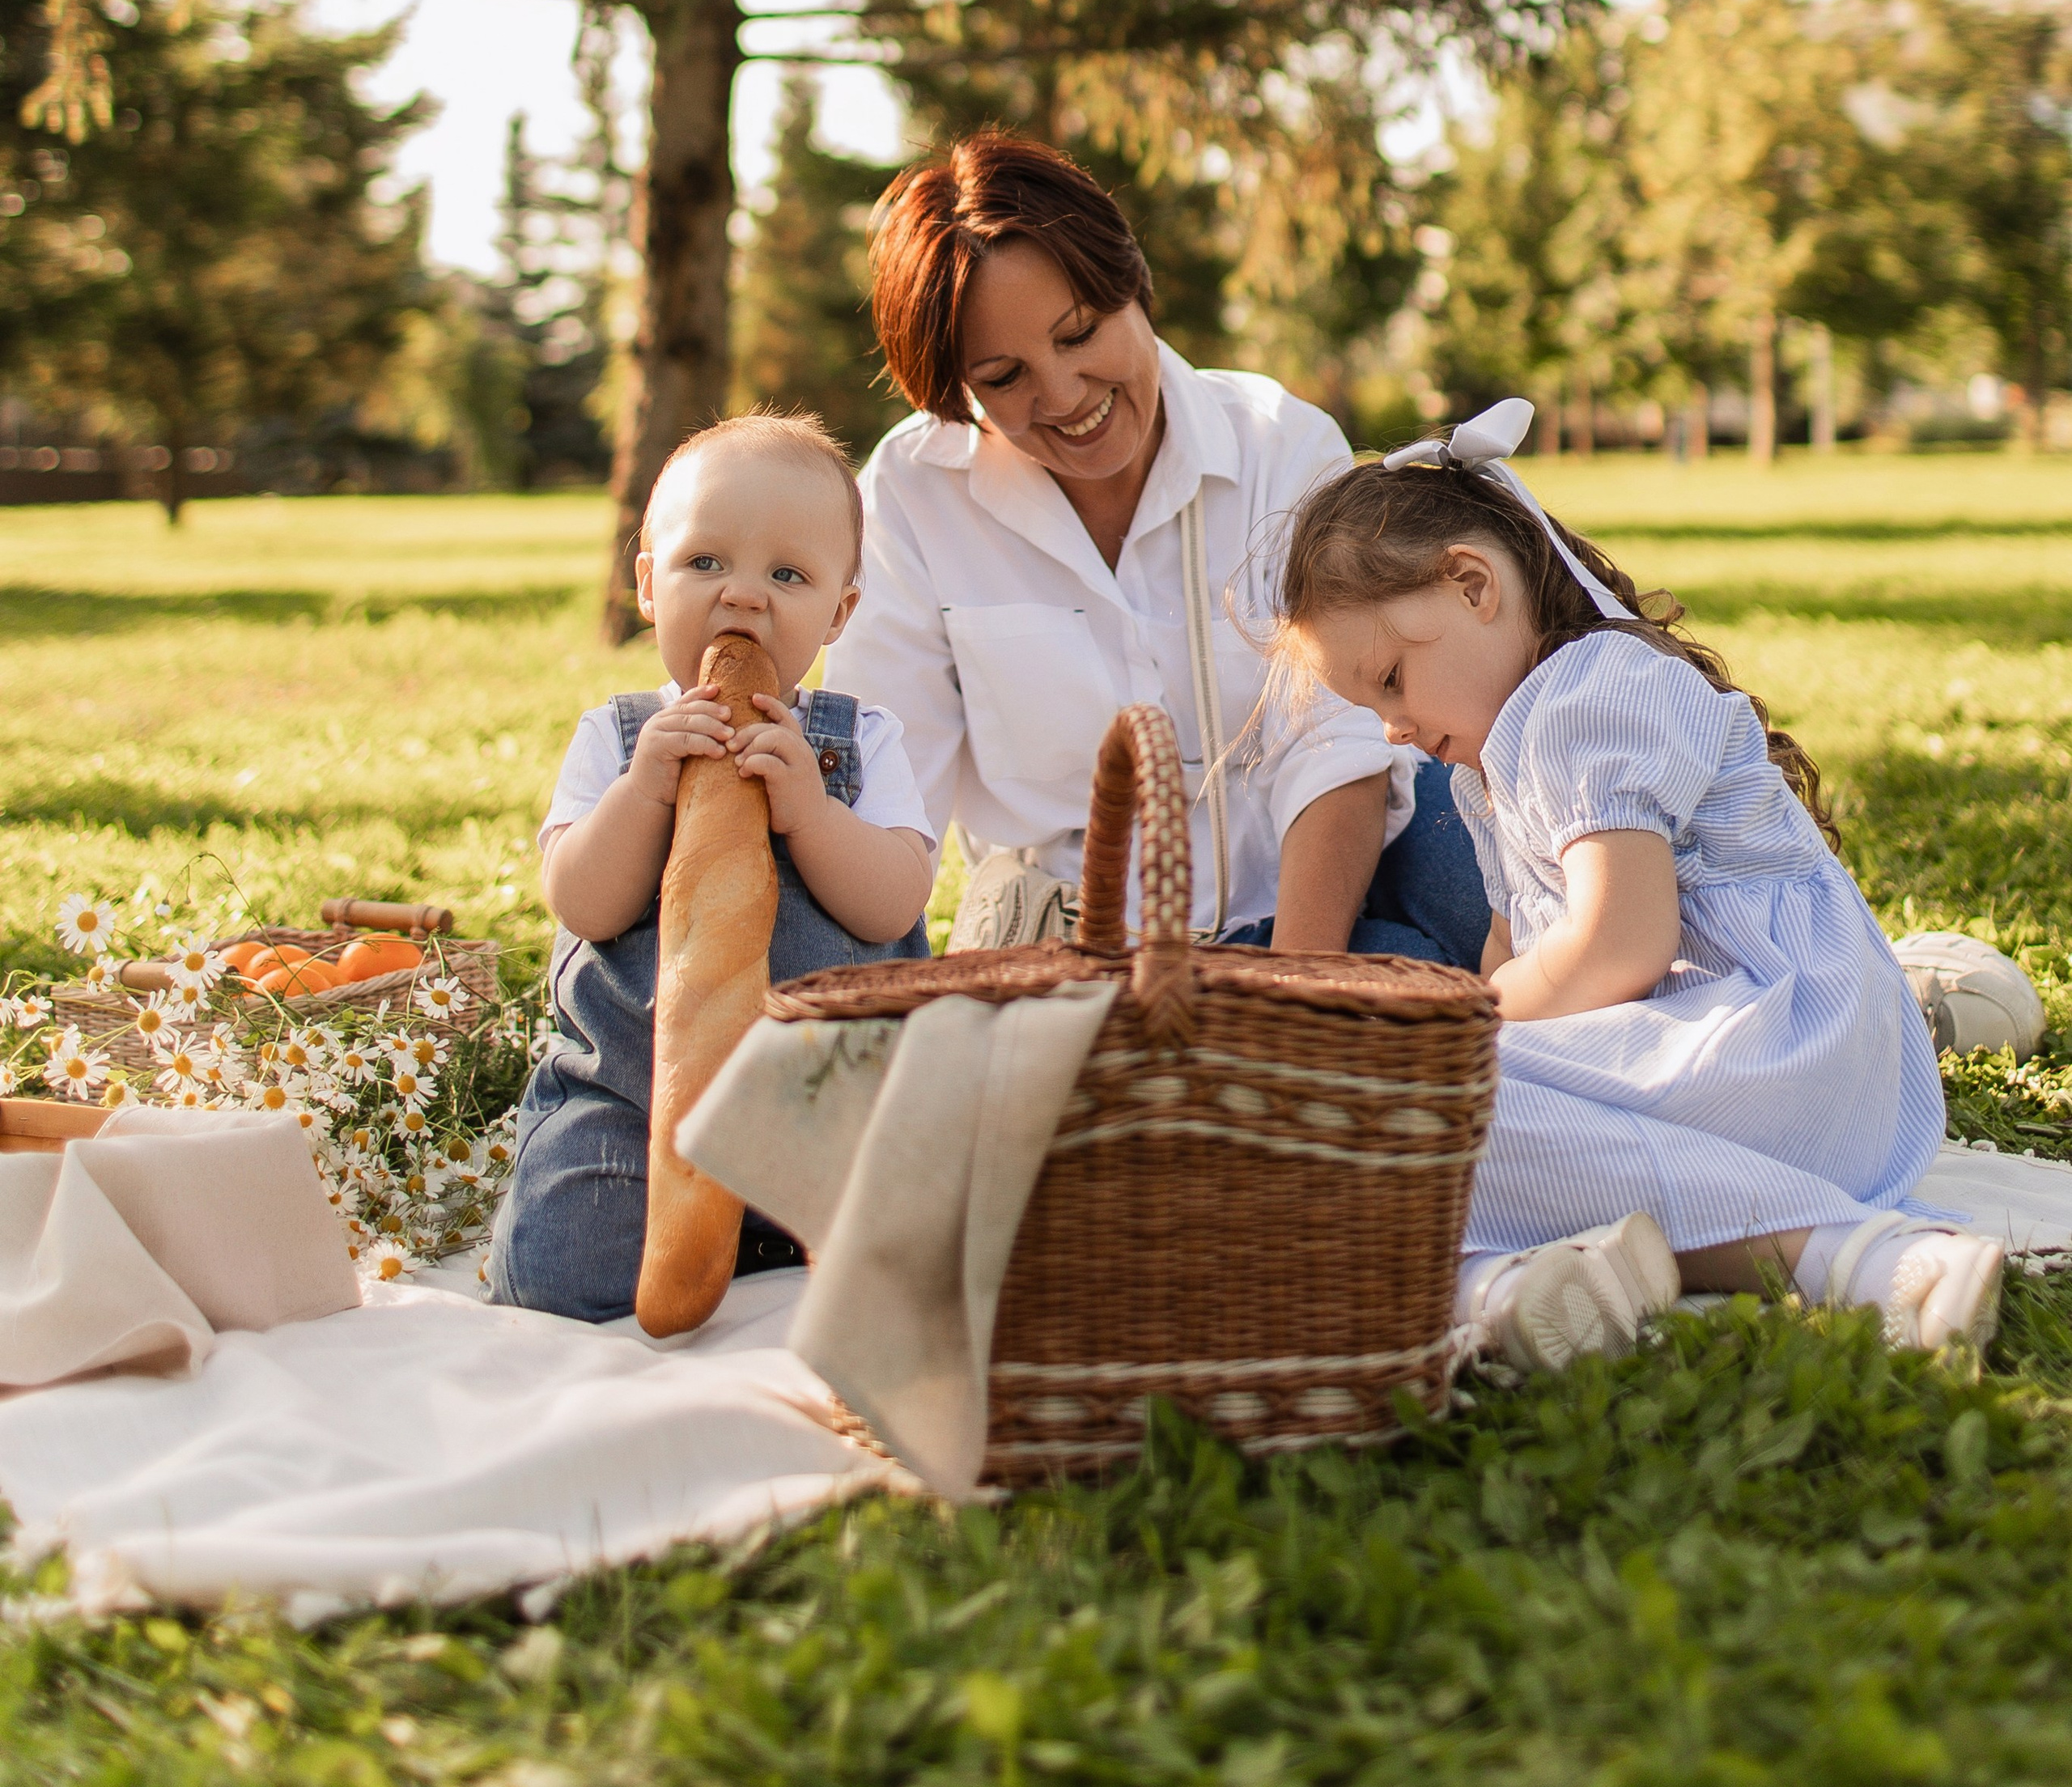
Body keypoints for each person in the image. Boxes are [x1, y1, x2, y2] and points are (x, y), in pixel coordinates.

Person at [1268, 401, 2006, 1371]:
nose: (1392, 729)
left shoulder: (1585, 698)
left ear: (1471, 584)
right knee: (1412, 1118)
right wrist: (1482, 1014)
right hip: (1773, 1080)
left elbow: (1619, 944)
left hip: (1780, 1053)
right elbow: (1514, 950)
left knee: (1416, 1112)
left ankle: (1847, 1257)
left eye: (1392, 681)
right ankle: (1541, 1279)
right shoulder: (1492, 765)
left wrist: (1463, 1032)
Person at [822, 132, 1491, 961]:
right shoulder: (909, 495)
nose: (1063, 395)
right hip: (1082, 946)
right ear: (957, 390)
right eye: (1003, 378)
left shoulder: (1281, 447)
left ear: (1131, 281)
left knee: (1488, 906)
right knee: (1425, 986)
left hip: (1315, 904)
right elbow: (888, 797)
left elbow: (1333, 748)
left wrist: (1291, 989)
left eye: (1078, 334)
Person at [486, 414, 935, 1322]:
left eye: (788, 575)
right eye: (705, 562)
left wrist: (811, 812)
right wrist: (644, 792)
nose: (743, 597)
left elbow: (893, 906)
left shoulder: (863, 740)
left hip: (829, 1100)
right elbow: (583, 903)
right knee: (552, 1268)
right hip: (639, 1098)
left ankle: (776, 1236)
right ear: (648, 584)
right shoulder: (616, 738)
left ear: (839, 613)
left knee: (927, 1249)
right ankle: (704, 1234)